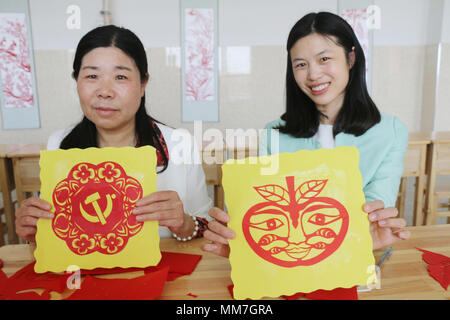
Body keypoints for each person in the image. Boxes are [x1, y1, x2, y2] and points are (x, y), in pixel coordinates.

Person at [202, 12, 410, 258]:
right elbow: (265, 211)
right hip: (290, 259)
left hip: (354, 258)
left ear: (351, 58)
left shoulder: (391, 131)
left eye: (324, 59)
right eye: (301, 64)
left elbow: (374, 211)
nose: (312, 74)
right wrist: (239, 236)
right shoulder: (273, 133)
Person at [15, 25, 212, 243]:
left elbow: (205, 226)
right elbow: (53, 234)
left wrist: (184, 223)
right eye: (92, 75)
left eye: (120, 77)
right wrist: (34, 231)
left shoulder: (179, 144)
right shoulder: (60, 144)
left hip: (162, 272)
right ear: (76, 81)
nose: (105, 91)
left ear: (143, 83)